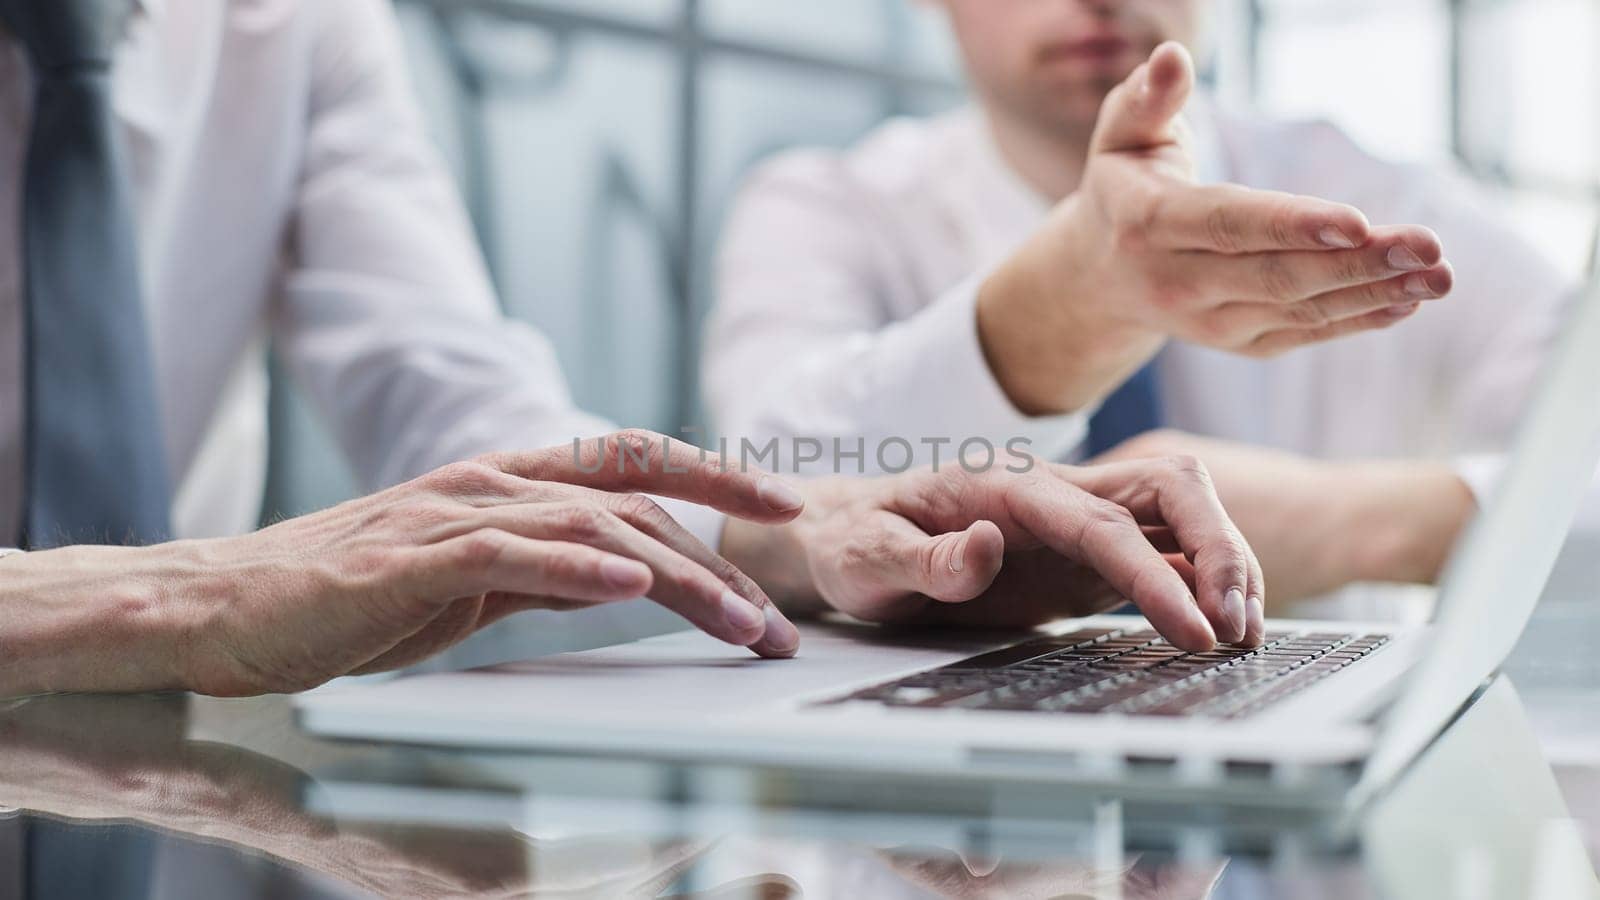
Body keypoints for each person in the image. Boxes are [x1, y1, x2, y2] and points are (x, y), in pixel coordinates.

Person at [0, 0, 1270, 698]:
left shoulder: (287, 26)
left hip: (142, 793)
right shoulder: (827, 194)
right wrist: (180, 595)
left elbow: (463, 422)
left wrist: (819, 538)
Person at [705, 1, 1579, 606]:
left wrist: (1371, 525)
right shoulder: (826, 208)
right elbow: (754, 501)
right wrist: (1062, 311)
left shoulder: (1379, 200)